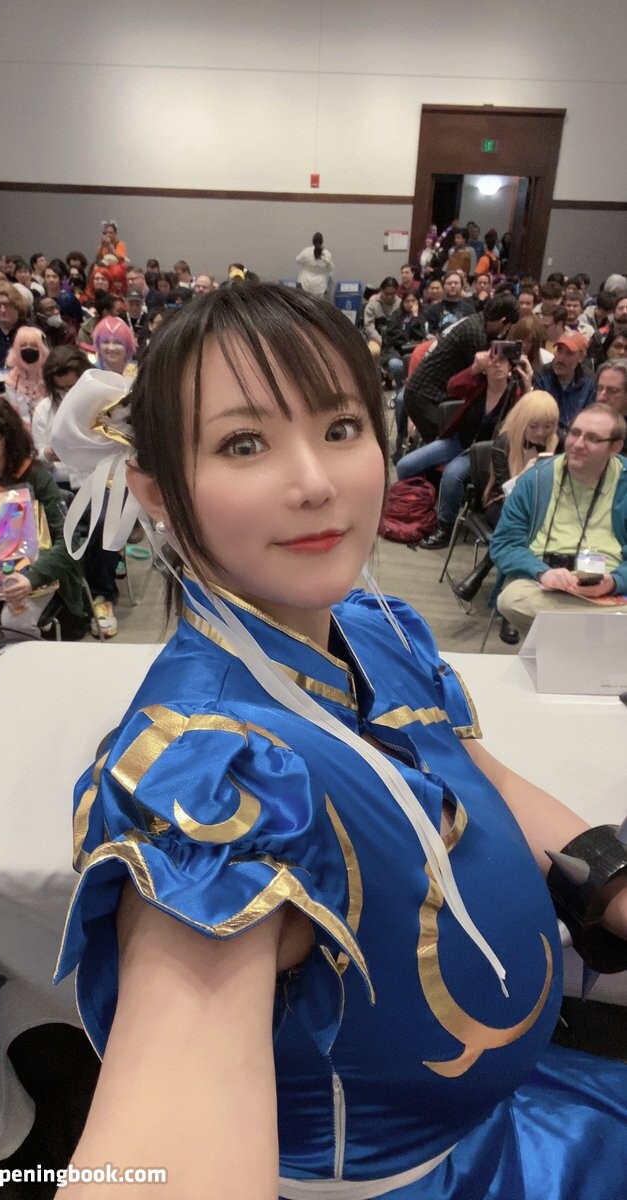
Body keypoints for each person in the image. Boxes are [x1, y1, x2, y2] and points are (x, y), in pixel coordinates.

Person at [50, 286, 627, 1199]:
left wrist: (612, 883)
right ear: (156, 491)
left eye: (341, 427)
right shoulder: (209, 765)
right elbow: (176, 1099)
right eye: (243, 443)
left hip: (522, 1115)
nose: (315, 481)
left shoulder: (374, 626)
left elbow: (475, 776)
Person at [0, 393, 84, 636]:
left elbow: (70, 540)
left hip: (32, 572)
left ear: (7, 436)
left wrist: (32, 578)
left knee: (15, 621)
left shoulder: (35, 476)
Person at [491, 403, 627, 636]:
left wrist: (614, 581)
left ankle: (572, 637)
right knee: (511, 600)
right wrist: (542, 573)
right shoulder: (535, 479)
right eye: (575, 433)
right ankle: (600, 632)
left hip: (609, 590)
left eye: (592, 438)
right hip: (544, 586)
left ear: (615, 447)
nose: (578, 444)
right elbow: (504, 544)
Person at [397, 342, 532, 548]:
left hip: (483, 453)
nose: (497, 365)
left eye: (503, 361)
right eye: (493, 361)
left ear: (510, 368)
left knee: (453, 474)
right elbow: (452, 386)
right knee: (405, 465)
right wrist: (474, 368)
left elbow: (530, 415)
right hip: (457, 441)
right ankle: (418, 507)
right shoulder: (478, 384)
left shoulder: (516, 394)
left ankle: (445, 527)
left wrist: (528, 385)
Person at [450, 390, 560, 627]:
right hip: (501, 501)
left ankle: (482, 574)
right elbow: (504, 488)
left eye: (548, 427)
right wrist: (526, 476)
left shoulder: (557, 442)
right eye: (534, 426)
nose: (541, 433)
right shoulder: (504, 442)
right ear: (522, 421)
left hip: (544, 506)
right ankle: (508, 609)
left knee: (529, 531)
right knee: (517, 530)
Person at [33, 346, 121, 637]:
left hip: (100, 478)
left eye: (73, 387)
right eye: (62, 390)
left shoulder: (104, 405)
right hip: (59, 483)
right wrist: (50, 452)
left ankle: (102, 594)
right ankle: (71, 593)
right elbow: (38, 456)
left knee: (104, 520)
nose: (68, 395)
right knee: (55, 528)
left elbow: (119, 448)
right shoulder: (44, 410)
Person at [404, 293, 519, 442]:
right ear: (503, 321)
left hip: (432, 394)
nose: (504, 333)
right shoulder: (474, 332)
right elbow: (482, 377)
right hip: (423, 396)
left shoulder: (477, 322)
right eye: (507, 327)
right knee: (444, 441)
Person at [533, 331, 596, 438]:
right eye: (559, 351)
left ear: (581, 357)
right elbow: (539, 418)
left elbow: (591, 421)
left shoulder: (590, 382)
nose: (560, 359)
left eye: (569, 354)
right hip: (547, 438)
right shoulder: (541, 376)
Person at [2, 324, 49, 427]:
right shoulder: (11, 380)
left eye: (34, 346)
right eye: (23, 345)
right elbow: (14, 414)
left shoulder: (49, 376)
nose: (28, 349)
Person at [424, 271, 475, 336]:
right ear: (443, 286)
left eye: (456, 283)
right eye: (449, 283)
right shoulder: (433, 310)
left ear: (461, 286)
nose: (453, 286)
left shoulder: (469, 310)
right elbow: (429, 333)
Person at [363, 277, 401, 355]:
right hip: (376, 338)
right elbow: (369, 326)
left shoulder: (400, 304)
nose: (389, 296)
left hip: (395, 338)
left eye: (392, 294)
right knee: (374, 351)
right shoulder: (372, 305)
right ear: (381, 290)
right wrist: (380, 340)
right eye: (387, 293)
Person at [295, 232, 333, 297]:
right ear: (322, 241)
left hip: (305, 284)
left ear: (313, 241)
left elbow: (297, 261)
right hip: (320, 286)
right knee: (319, 303)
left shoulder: (306, 251)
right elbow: (330, 268)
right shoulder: (327, 253)